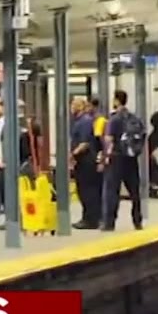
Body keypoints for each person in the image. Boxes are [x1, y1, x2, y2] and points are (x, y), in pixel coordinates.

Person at [101, 89, 143, 231]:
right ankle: (137, 221)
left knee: (112, 190)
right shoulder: (134, 118)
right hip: (131, 159)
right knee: (134, 192)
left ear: (116, 100)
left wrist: (105, 157)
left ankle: (109, 223)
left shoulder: (114, 119)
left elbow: (109, 140)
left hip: (116, 158)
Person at [69, 96, 102, 229]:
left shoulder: (84, 122)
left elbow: (85, 143)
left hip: (86, 161)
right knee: (84, 190)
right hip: (83, 161)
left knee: (87, 191)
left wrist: (72, 155)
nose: (71, 107)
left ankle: (90, 219)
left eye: (74, 105)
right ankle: (90, 218)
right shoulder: (80, 121)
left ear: (80, 106)